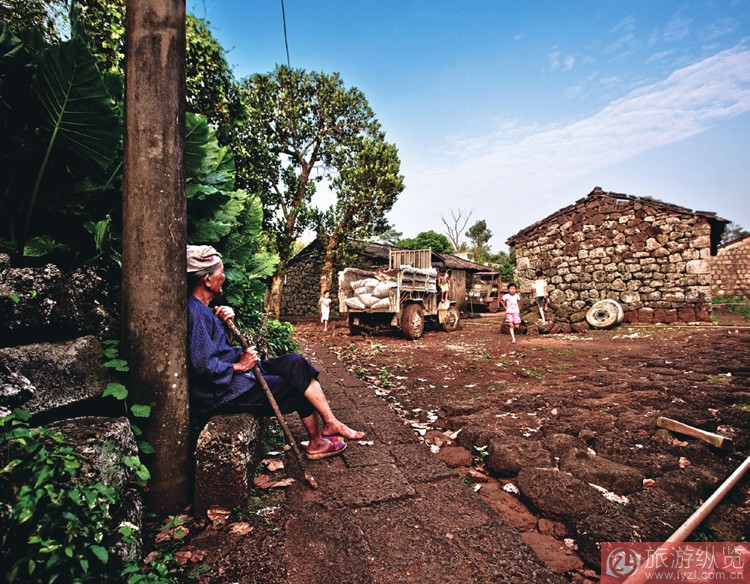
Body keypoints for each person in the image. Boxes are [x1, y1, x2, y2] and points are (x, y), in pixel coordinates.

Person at [186, 245, 364, 460]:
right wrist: (240, 366)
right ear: (207, 280)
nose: (224, 277)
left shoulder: (205, 310)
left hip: (239, 374)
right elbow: (202, 365)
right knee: (295, 387)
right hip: (224, 389)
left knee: (294, 363)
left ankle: (330, 422)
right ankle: (317, 443)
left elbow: (214, 347)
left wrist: (225, 325)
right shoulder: (196, 313)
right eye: (221, 272)